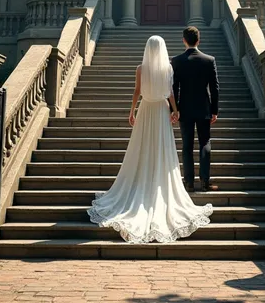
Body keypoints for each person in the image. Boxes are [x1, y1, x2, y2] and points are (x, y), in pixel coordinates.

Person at [87, 35, 213, 243]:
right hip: (161, 111)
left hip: (146, 109)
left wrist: (132, 112)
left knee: (142, 147)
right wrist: (175, 110)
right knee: (161, 149)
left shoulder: (140, 69)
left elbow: (137, 92)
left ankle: (141, 179)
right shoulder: (168, 69)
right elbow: (171, 93)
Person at [171, 26, 219, 193]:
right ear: (198, 40)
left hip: (184, 108)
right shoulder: (209, 60)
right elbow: (215, 88)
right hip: (204, 107)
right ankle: (205, 181)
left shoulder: (176, 61)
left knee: (187, 146)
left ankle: (189, 183)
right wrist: (215, 110)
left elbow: (174, 88)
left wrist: (174, 109)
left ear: (184, 40)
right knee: (205, 143)